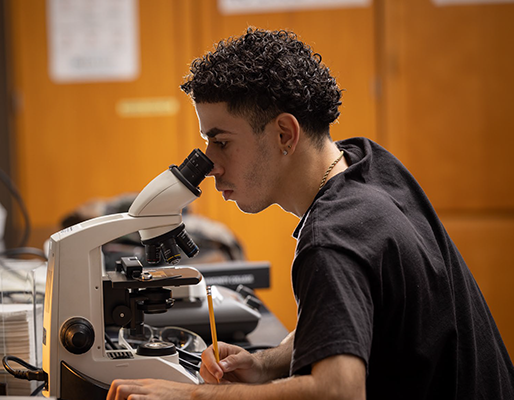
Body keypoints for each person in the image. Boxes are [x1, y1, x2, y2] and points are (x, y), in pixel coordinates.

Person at [108, 27, 514, 400]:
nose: (210, 163)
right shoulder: (368, 165)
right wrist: (264, 362)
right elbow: (346, 320)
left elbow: (339, 391)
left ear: (285, 134)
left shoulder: (331, 238)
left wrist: (194, 396)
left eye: (221, 141)